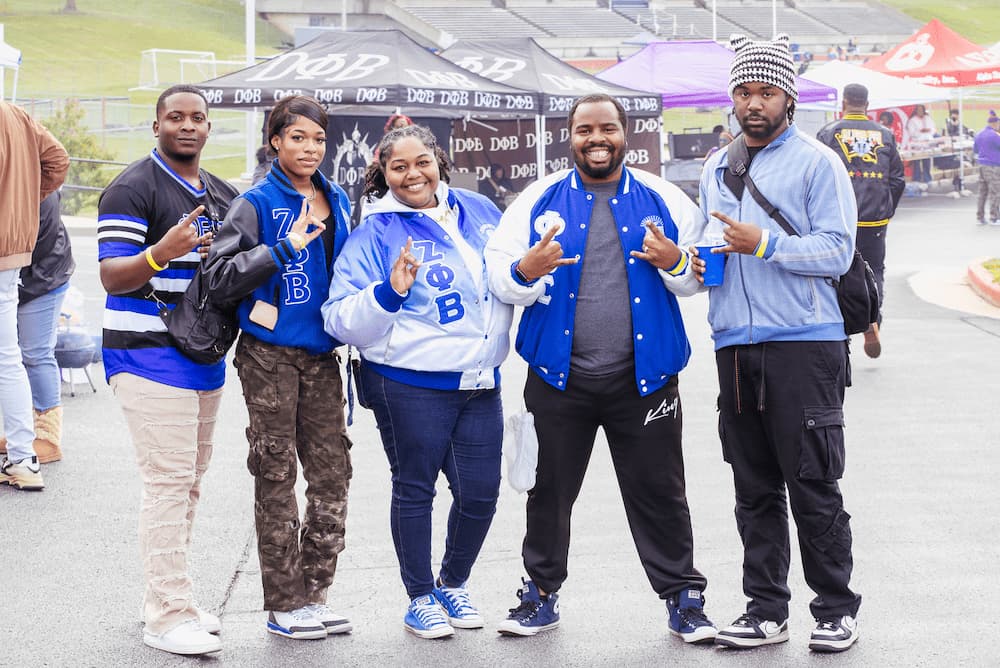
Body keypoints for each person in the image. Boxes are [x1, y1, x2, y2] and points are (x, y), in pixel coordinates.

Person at [484, 93, 716, 644]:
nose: (596, 139)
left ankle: (683, 597)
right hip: (558, 379)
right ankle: (539, 595)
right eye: (585, 129)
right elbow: (498, 274)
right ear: (570, 135)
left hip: (646, 379)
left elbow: (701, 273)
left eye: (607, 128)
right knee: (549, 491)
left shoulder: (663, 198)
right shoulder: (538, 199)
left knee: (662, 491)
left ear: (624, 134)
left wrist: (675, 262)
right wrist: (525, 269)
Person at [698, 34, 861, 653]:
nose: (753, 103)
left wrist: (762, 243)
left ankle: (836, 609)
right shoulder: (718, 166)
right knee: (752, 485)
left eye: (766, 91)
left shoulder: (819, 163)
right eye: (744, 92)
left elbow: (837, 252)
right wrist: (680, 261)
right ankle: (766, 609)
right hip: (734, 343)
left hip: (804, 343)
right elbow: (714, 256)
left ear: (787, 98)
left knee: (812, 481)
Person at [323, 124, 512, 640]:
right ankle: (420, 596)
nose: (413, 175)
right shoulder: (374, 234)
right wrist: (389, 291)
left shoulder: (480, 210)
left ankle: (453, 582)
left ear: (439, 160)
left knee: (480, 493)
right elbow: (338, 318)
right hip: (406, 382)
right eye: (398, 167)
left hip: (479, 378)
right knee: (415, 489)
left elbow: (507, 279)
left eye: (421, 162)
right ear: (382, 174)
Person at [203, 95, 354, 641]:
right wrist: (280, 250)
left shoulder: (336, 197)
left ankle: (315, 594)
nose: (309, 148)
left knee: (333, 473)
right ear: (275, 142)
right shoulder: (255, 202)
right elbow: (218, 277)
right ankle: (284, 602)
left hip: (322, 354)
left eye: (318, 138)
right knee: (275, 474)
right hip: (267, 354)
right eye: (297, 138)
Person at [98, 84, 238, 655]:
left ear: (209, 128)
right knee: (168, 482)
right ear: (155, 126)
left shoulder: (221, 192)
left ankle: (168, 595)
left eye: (198, 118)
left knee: (190, 483)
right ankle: (167, 614)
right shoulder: (132, 188)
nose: (187, 125)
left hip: (202, 357)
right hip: (145, 354)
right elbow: (113, 276)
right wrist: (165, 248)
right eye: (175, 117)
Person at [0, 102, 68, 492]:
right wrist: (25, 201)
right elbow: (57, 159)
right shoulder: (16, 114)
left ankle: (25, 456)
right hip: (13, 251)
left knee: (15, 356)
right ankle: (23, 457)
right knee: (10, 357)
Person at [817, 83, 904, 359]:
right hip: (874, 219)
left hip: (839, 215)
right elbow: (897, 179)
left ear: (844, 103)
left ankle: (840, 328)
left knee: (837, 270)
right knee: (874, 269)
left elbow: (816, 172)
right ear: (867, 104)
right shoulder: (886, 134)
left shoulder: (829, 133)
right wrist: (886, 209)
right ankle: (872, 318)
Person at [16, 190, 76, 463]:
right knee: (11, 358)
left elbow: (42, 238)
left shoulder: (37, 175)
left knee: (36, 353)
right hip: (14, 275)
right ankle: (18, 431)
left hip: (42, 276)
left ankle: (48, 439)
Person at [973, 112, 1000, 226]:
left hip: (982, 165)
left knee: (982, 192)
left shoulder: (979, 134)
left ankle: (980, 217)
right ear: (995, 123)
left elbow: (975, 149)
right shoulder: (995, 135)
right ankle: (994, 217)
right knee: (995, 192)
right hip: (993, 165)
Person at [904, 104, 936, 185]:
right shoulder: (912, 120)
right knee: (917, 162)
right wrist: (920, 131)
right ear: (916, 111)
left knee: (927, 161)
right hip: (917, 143)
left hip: (928, 143)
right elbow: (911, 133)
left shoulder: (928, 118)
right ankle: (917, 179)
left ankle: (927, 179)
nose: (920, 111)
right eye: (918, 110)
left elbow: (933, 129)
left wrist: (928, 131)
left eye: (921, 110)